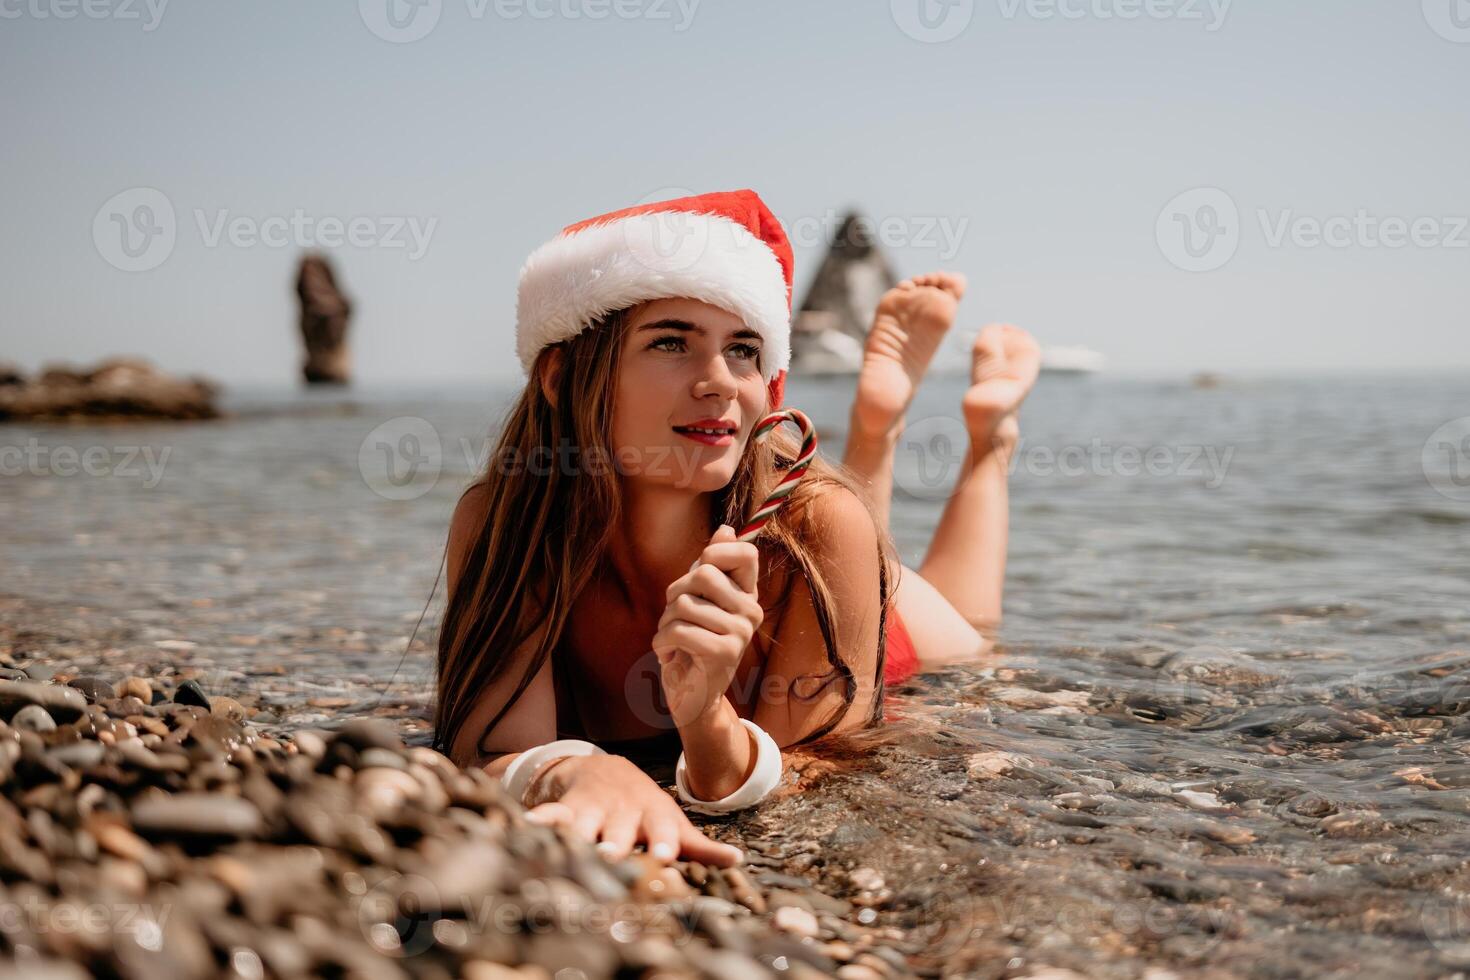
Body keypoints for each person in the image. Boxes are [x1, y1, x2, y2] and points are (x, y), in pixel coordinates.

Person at [434, 190, 1039, 869]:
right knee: (861, 539)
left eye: (744, 350)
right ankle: (878, 428)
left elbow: (810, 778)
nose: (720, 382)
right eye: (671, 342)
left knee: (972, 643)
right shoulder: (509, 520)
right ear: (560, 375)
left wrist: (706, 719)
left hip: (852, 622)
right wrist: (576, 772)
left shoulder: (815, 527)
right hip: (814, 569)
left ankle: (981, 441)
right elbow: (486, 750)